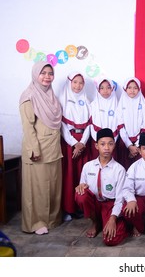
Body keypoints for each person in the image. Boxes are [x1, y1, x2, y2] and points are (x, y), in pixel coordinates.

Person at [19, 61, 63, 235]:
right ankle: (36, 223)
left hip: (53, 148)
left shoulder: (51, 96)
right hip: (38, 150)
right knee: (36, 189)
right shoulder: (28, 96)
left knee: (52, 186)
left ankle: (52, 219)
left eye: (50, 73)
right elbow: (28, 126)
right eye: (43, 73)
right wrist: (34, 150)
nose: (47, 77)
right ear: (35, 74)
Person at [75, 128, 128, 246]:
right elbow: (82, 188)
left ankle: (122, 223)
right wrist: (80, 187)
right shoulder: (88, 166)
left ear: (114, 145)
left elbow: (120, 199)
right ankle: (95, 222)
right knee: (80, 195)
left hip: (110, 204)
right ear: (96, 146)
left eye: (110, 144)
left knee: (110, 240)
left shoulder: (119, 170)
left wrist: (113, 219)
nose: (107, 148)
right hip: (95, 203)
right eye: (102, 144)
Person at [59, 71, 91, 221]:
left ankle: (81, 208)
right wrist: (74, 143)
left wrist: (82, 143)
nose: (78, 86)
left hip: (84, 143)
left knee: (82, 175)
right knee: (70, 175)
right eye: (75, 82)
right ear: (69, 82)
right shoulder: (63, 100)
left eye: (81, 83)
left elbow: (90, 125)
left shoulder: (86, 100)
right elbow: (63, 125)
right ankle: (69, 209)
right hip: (69, 143)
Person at [117, 77, 145, 170]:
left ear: (139, 89)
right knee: (125, 169)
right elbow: (120, 126)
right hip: (125, 144)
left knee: (140, 170)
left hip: (140, 144)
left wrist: (136, 145)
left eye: (135, 88)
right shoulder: (121, 104)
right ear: (125, 89)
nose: (132, 90)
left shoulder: (143, 103)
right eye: (129, 88)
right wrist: (129, 145)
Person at [89, 77, 119, 159]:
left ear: (112, 89)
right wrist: (99, 142)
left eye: (108, 87)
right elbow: (91, 125)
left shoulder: (117, 105)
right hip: (96, 142)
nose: (105, 90)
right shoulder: (93, 105)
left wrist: (111, 143)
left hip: (113, 143)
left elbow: (118, 126)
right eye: (102, 88)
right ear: (98, 89)